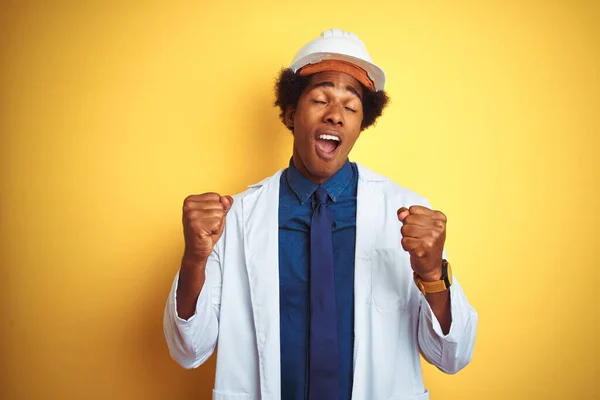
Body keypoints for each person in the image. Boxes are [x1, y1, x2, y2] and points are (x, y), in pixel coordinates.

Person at [163, 28, 478, 400]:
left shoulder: (405, 214)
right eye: (321, 100)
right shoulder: (236, 217)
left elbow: (452, 356)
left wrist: (431, 273)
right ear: (292, 112)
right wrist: (194, 258)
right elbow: (188, 350)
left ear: (363, 123)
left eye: (350, 106)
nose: (335, 116)